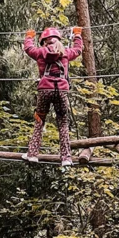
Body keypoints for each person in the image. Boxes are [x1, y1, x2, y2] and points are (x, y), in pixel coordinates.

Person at [23, 26, 83, 166]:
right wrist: (77, 35)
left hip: (45, 90)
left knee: (39, 121)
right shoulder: (66, 53)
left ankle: (32, 154)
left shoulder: (40, 52)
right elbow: (78, 49)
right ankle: (66, 158)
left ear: (44, 42)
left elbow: (28, 48)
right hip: (61, 91)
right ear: (58, 41)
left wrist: (29, 36)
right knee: (62, 123)